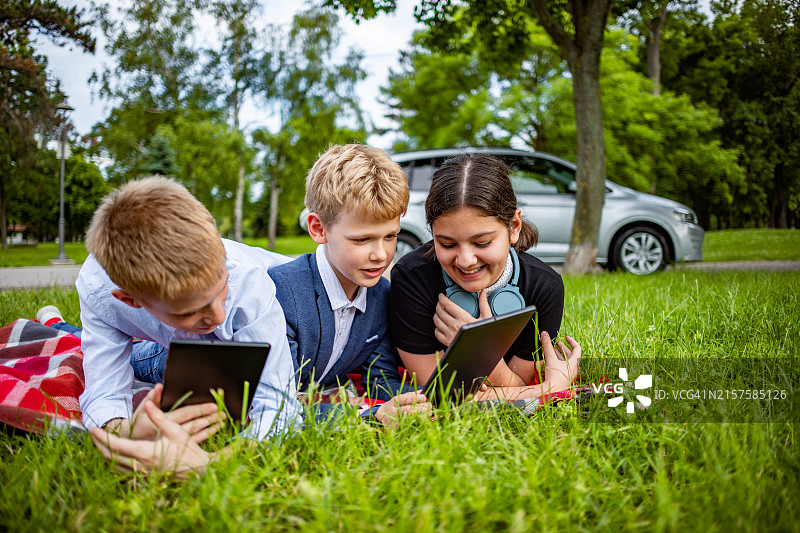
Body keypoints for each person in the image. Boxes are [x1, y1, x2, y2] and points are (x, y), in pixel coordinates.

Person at [387, 154, 580, 401]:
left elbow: (517, 382)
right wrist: (550, 388)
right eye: (447, 244)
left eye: (482, 242)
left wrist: (477, 349)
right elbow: (438, 395)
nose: (465, 260)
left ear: (515, 226)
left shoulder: (544, 287)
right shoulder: (412, 278)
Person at [269, 144, 414, 405]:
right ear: (318, 229)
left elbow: (379, 379)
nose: (381, 254)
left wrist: (426, 399)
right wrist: (364, 414)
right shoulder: (282, 292)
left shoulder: (381, 295)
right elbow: (277, 403)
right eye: (362, 239)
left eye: (391, 236)